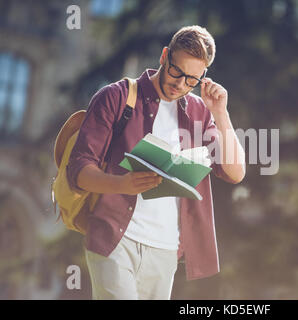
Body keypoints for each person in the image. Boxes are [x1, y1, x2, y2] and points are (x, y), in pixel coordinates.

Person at [66, 25, 246, 300]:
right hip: (114, 239)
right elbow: (79, 170)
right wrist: (121, 184)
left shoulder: (199, 112)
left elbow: (235, 172)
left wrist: (220, 113)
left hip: (165, 250)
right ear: (164, 56)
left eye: (191, 80)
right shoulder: (116, 97)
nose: (180, 84)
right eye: (177, 71)